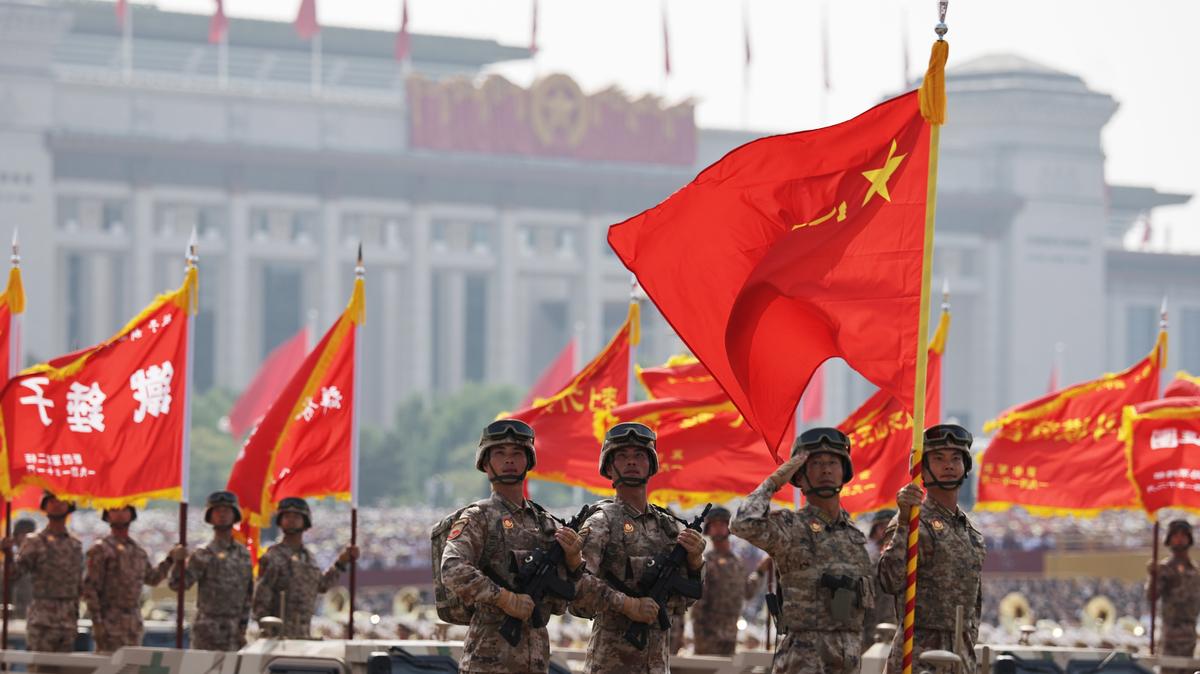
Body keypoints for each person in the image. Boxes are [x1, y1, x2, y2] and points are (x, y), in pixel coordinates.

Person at [440, 418, 592, 673]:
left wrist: (574, 561)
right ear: (486, 465)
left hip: (536, 659)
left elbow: (571, 597)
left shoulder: (545, 524)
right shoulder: (478, 517)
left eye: (517, 453)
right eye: (500, 453)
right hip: (487, 660)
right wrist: (505, 599)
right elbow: (452, 568)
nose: (509, 460)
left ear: (528, 462)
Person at [731, 427, 873, 674]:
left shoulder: (855, 536)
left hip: (848, 657)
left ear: (844, 471)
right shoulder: (790, 526)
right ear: (800, 476)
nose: (826, 470)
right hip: (804, 658)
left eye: (832, 463)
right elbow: (743, 523)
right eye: (816, 464)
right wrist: (774, 482)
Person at [574, 422, 706, 674]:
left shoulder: (667, 526)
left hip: (656, 663)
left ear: (651, 465)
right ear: (610, 468)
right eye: (622, 457)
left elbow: (687, 597)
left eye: (639, 456)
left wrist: (696, 561)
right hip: (611, 664)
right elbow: (577, 587)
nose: (631, 462)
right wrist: (626, 605)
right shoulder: (602, 522)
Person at [878, 424, 985, 674]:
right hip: (918, 654)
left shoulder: (969, 530)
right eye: (938, 459)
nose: (949, 465)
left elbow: (975, 603)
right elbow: (889, 579)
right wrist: (904, 522)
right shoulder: (914, 521)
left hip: (961, 653)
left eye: (955, 458)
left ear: (965, 467)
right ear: (922, 471)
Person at [251, 497, 358, 638]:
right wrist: (268, 631)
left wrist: (341, 563)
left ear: (305, 521)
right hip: (278, 636)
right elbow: (260, 600)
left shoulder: (308, 558)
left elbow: (321, 585)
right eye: (287, 516)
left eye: (296, 516)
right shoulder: (272, 557)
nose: (291, 520)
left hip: (303, 635)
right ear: (280, 521)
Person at [169, 491, 254, 651]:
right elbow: (178, 585)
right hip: (207, 632)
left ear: (234, 514)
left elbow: (248, 595)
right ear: (210, 516)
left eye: (226, 511)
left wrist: (242, 627)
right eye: (217, 511)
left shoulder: (244, 554)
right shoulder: (203, 554)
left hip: (234, 632)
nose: (222, 515)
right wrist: (178, 563)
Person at [82, 505, 174, 653]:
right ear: (107, 515)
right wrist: (97, 622)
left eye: (124, 510)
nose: (120, 514)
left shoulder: (138, 551)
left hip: (133, 624)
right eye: (114, 510)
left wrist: (170, 560)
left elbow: (152, 579)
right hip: (108, 622)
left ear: (132, 514)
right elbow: (90, 588)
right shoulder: (101, 549)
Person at [3, 493, 83, 653]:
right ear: (45, 506)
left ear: (69, 506)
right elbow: (13, 574)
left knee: (64, 667)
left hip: (68, 618)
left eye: (61, 501)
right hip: (42, 617)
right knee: (40, 666)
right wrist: (9, 555)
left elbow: (80, 584)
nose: (56, 504)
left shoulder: (75, 545)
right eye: (51, 501)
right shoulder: (34, 542)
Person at [689, 506, 758, 656]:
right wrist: (700, 638)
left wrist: (760, 572)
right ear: (708, 529)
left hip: (730, 637)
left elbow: (748, 592)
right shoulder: (704, 562)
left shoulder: (737, 563)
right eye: (714, 524)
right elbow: (698, 606)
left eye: (722, 524)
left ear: (729, 528)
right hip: (708, 639)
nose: (719, 528)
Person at [1148, 519, 1200, 674]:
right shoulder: (1163, 569)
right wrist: (1153, 576)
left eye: (1183, 535)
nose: (1179, 538)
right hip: (1170, 637)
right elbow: (1151, 597)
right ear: (1169, 539)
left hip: (1190, 637)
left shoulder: (1196, 572)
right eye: (1175, 535)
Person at [862, 509, 897, 649]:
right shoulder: (866, 555)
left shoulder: (904, 555)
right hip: (871, 621)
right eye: (882, 527)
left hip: (895, 620)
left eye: (889, 527)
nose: (885, 531)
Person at [10, 518, 37, 619]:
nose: (26, 538)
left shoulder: (37, 555)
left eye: (29, 534)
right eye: (23, 534)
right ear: (16, 536)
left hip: (30, 611)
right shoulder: (7, 554)